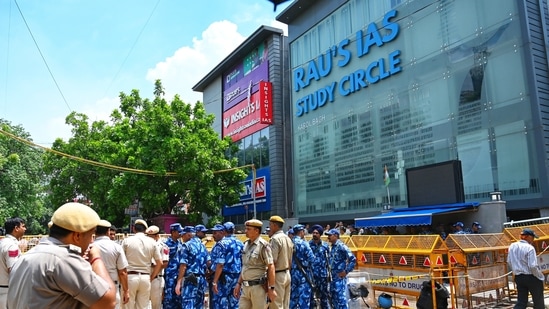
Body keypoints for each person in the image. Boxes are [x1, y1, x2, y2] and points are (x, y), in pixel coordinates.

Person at [8, 202, 116, 308]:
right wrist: (96, 258)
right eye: (90, 235)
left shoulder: (26, 256)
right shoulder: (63, 259)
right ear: (77, 236)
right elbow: (108, 302)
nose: (91, 242)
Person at [233, 219, 277, 308]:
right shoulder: (246, 245)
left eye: (248, 229)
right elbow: (245, 266)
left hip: (258, 288)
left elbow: (271, 266)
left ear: (256, 231)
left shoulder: (263, 246)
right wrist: (238, 283)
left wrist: (271, 288)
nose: (246, 231)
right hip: (245, 288)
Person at [122, 219, 162, 309]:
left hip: (130, 277)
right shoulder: (152, 242)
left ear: (133, 229)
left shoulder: (127, 241)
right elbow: (159, 263)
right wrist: (151, 277)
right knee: (143, 306)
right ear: (145, 230)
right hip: (145, 277)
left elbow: (120, 262)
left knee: (127, 306)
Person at [94, 219, 129, 309]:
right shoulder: (116, 247)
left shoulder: (89, 246)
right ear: (108, 231)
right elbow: (122, 272)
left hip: (94, 288)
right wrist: (126, 291)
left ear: (95, 231)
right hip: (112, 287)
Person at [507, 228, 544, 309]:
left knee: (521, 302)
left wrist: (515, 271)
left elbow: (509, 261)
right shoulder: (529, 248)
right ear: (528, 237)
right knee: (538, 302)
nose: (533, 240)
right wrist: (539, 276)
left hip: (518, 277)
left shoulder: (512, 246)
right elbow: (532, 266)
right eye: (533, 237)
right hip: (531, 276)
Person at [175, 226, 209, 308]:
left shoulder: (186, 246)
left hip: (190, 279)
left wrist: (179, 283)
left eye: (183, 235)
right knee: (199, 305)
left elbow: (183, 265)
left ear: (189, 235)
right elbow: (209, 262)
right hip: (201, 279)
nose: (182, 237)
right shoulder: (202, 246)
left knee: (188, 304)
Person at [326, 228, 356, 309]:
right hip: (332, 278)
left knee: (341, 300)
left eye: (330, 235)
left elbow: (353, 259)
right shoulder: (332, 247)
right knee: (333, 300)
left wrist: (346, 271)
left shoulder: (341, 246)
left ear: (336, 236)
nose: (328, 237)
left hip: (339, 278)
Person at [268, 215, 293, 309]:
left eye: (270, 224)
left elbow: (272, 262)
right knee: (285, 305)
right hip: (287, 273)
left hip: (278, 275)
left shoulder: (275, 239)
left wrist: (270, 282)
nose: (269, 227)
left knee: (276, 305)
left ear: (274, 225)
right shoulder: (287, 238)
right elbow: (290, 260)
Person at [0, 217, 26, 308]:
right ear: (16, 228)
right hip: (7, 292)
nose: (25, 229)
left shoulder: (2, 242)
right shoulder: (12, 246)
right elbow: (13, 270)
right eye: (23, 226)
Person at [289, 224, 315, 309]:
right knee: (304, 298)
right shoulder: (304, 243)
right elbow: (312, 259)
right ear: (301, 232)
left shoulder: (289, 243)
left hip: (293, 273)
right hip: (304, 274)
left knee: (293, 298)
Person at [146, 225, 169, 309]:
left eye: (151, 237)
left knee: (156, 305)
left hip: (157, 278)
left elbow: (165, 263)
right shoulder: (146, 246)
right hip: (146, 278)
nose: (149, 238)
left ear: (157, 236)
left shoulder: (163, 246)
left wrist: (154, 266)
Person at [309, 224, 330, 309]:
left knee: (324, 297)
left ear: (320, 234)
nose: (314, 234)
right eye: (313, 233)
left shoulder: (325, 246)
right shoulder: (308, 245)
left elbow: (328, 260)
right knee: (310, 298)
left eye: (316, 233)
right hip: (311, 276)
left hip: (322, 276)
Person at [164, 223, 183, 309]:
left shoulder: (180, 244)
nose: (180, 233)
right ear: (173, 232)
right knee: (169, 298)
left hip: (178, 275)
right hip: (169, 275)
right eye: (179, 231)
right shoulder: (166, 244)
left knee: (178, 298)